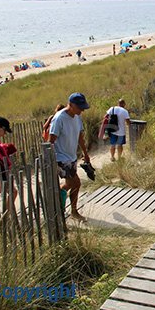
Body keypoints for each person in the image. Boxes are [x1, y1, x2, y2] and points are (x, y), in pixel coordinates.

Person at [49, 93, 90, 222]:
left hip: (71, 157)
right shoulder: (59, 118)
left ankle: (64, 208)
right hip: (60, 157)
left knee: (72, 184)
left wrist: (85, 153)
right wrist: (52, 161)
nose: (82, 110)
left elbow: (80, 137)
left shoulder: (77, 118)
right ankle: (66, 209)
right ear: (70, 105)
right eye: (80, 107)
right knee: (75, 183)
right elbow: (51, 140)